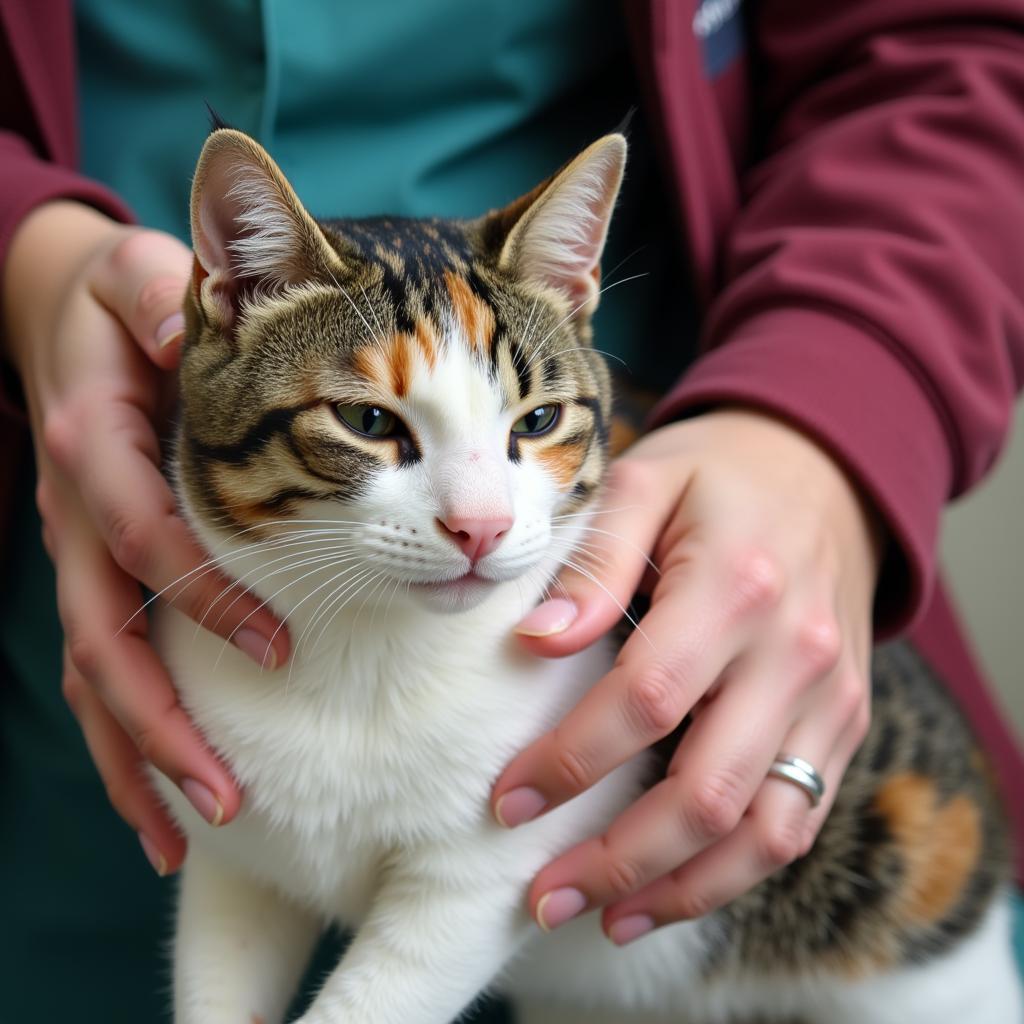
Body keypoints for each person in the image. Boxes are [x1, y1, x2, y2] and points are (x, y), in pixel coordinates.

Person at [1, 1, 1022, 1020]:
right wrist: (21, 250)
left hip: (836, 930)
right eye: (371, 420)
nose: (480, 518)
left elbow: (954, 45)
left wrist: (828, 414)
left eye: (533, 423)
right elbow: (251, 856)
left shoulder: (557, 603)